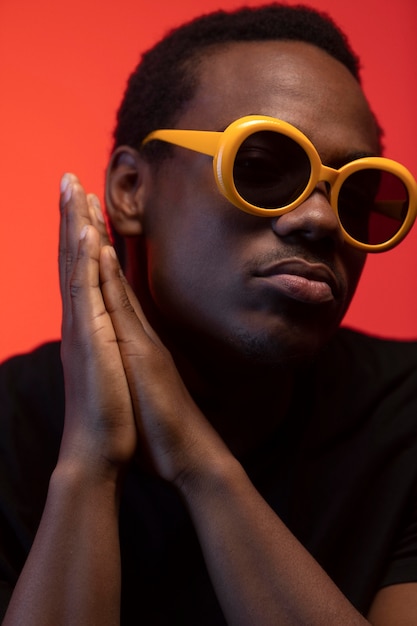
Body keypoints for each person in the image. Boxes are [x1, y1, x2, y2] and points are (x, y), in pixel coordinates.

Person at [1, 3, 417, 624]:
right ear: (130, 190)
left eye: (358, 198)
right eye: (261, 168)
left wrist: (198, 460)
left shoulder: (403, 415)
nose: (323, 220)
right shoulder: (11, 426)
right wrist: (89, 463)